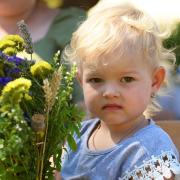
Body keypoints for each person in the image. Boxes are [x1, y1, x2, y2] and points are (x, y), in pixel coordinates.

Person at [57, 3, 180, 180]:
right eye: (96, 80)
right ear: (81, 81)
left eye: (127, 79)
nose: (110, 92)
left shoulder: (149, 151)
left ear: (155, 81)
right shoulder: (78, 135)